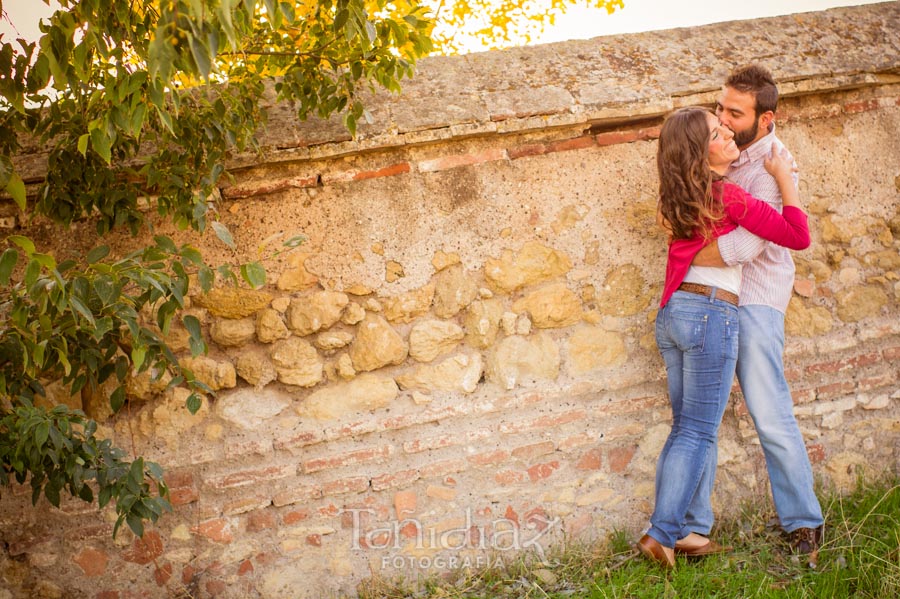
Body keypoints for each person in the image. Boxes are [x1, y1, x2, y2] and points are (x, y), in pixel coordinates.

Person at [636, 106, 810, 568]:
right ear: (700, 152)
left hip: (672, 314)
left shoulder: (676, 199)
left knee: (688, 429)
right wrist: (783, 177)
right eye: (717, 133)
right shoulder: (729, 196)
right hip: (711, 312)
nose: (729, 133)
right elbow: (797, 235)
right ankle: (661, 534)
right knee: (696, 431)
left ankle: (690, 531)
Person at [690, 64, 825, 566]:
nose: (723, 118)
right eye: (721, 106)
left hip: (754, 303)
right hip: (708, 298)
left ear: (767, 118)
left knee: (769, 414)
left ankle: (804, 524)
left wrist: (684, 254)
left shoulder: (774, 161)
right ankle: (691, 529)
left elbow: (744, 247)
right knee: (699, 418)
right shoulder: (716, 149)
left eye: (735, 112)